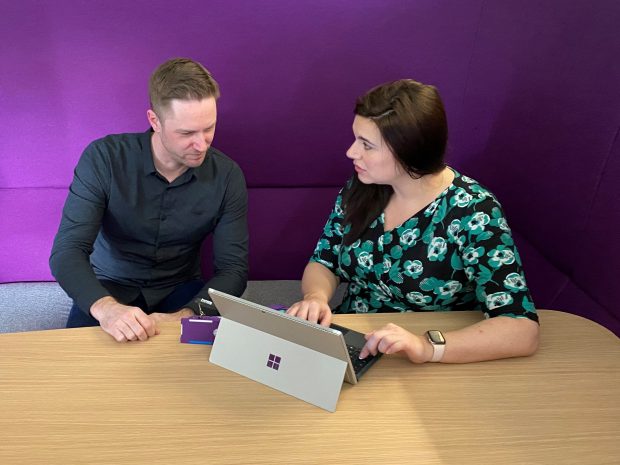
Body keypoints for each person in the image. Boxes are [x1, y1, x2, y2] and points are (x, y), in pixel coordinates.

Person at [287, 79, 539, 363]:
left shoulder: (474, 212)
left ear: (408, 150)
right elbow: (324, 261)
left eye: (367, 145)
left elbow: (521, 328)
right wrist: (317, 297)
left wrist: (427, 346)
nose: (351, 152)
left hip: (432, 358)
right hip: (357, 342)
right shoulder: (362, 187)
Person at [50, 58, 248, 343]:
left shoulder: (228, 176)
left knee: (200, 378)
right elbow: (67, 251)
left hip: (183, 291)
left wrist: (189, 313)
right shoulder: (104, 158)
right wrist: (106, 309)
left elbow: (233, 269)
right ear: (154, 121)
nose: (202, 144)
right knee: (81, 376)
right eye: (187, 133)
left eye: (209, 128)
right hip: (107, 285)